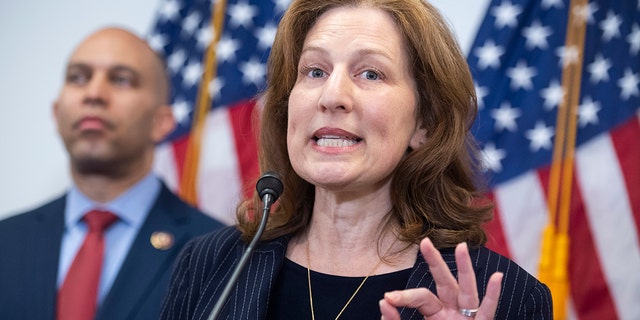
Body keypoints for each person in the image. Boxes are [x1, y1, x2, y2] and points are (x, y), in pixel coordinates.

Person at [160, 0, 553, 319]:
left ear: (425, 123)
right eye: (314, 70)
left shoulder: (505, 300)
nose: (332, 96)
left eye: (370, 74)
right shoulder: (210, 265)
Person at [0, 27, 224, 320]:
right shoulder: (7, 240)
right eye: (78, 77)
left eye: (121, 80)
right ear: (56, 114)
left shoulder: (219, 252)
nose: (94, 94)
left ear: (162, 122)